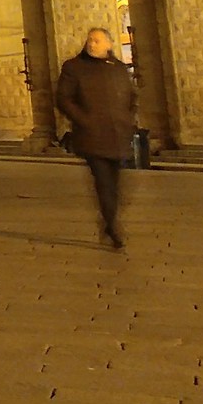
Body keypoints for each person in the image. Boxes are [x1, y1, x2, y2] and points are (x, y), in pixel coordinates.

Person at [54, 26, 138, 250]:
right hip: (91, 136)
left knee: (116, 184)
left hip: (118, 135)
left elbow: (132, 97)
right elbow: (63, 99)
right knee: (103, 181)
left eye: (97, 40)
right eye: (90, 40)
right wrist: (83, 120)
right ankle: (112, 224)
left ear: (109, 44)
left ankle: (110, 220)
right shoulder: (74, 67)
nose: (92, 44)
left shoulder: (118, 68)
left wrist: (128, 120)